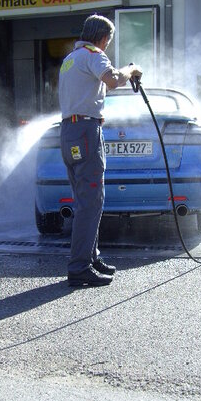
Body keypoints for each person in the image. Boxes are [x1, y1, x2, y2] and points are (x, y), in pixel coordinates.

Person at [59, 14, 142, 286]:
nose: (107, 45)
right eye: (109, 40)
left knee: (85, 199)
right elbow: (113, 79)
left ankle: (91, 257)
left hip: (69, 133)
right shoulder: (93, 54)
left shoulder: (70, 59)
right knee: (91, 201)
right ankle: (79, 267)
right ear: (103, 37)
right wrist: (131, 69)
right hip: (85, 132)